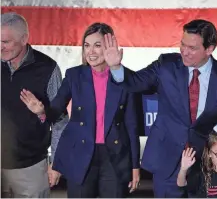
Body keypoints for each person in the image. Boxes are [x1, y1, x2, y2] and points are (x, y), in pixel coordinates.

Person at [103, 19, 217, 197]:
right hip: (166, 161)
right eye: (182, 44)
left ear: (209, 49)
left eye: (192, 48)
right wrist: (116, 67)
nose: (184, 52)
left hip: (206, 166)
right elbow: (135, 82)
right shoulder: (166, 65)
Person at [20, 22, 141, 198]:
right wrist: (42, 111)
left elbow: (132, 125)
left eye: (97, 45)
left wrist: (135, 166)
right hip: (81, 154)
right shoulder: (74, 75)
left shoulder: (124, 77)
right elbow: (56, 110)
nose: (91, 51)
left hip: (114, 156)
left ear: (110, 46)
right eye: (87, 45)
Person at [1, 12, 68, 197]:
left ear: (24, 39)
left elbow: (60, 121)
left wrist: (56, 162)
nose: (0, 47)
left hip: (31, 168)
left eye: (5, 42)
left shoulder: (48, 69)